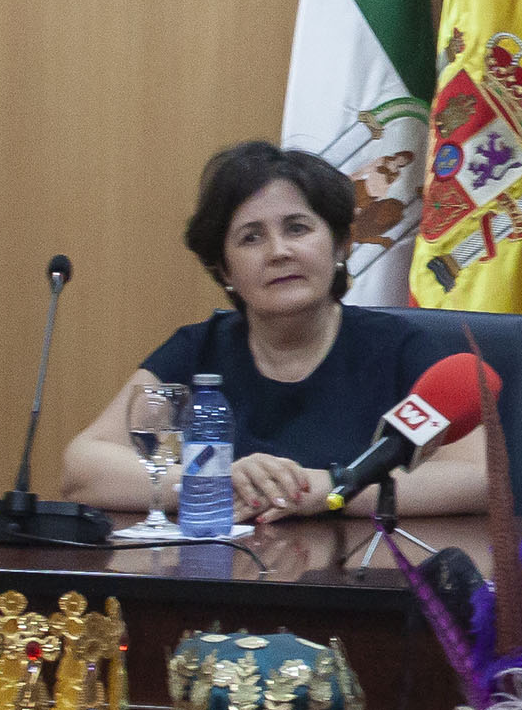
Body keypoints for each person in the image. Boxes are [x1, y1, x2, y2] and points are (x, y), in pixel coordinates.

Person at [58, 142, 490, 525]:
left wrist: (334, 489)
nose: (278, 252)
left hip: (357, 578)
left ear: (341, 245)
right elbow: (83, 468)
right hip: (219, 575)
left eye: (297, 228)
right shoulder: (197, 351)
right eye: (251, 238)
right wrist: (210, 480)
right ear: (225, 270)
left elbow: (478, 477)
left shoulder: (399, 349)